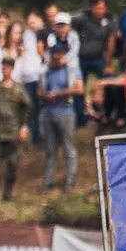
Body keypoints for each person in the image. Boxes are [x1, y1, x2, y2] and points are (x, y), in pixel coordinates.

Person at [37, 39, 83, 191]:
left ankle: (70, 180)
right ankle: (48, 181)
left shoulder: (72, 69)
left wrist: (59, 93)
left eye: (59, 55)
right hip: (48, 111)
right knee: (50, 149)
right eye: (54, 56)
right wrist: (46, 95)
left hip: (65, 110)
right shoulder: (45, 70)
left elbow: (79, 89)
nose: (57, 59)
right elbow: (39, 91)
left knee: (68, 148)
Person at [0, 71, 29, 202]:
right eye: (4, 67)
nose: (6, 70)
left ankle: (7, 193)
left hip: (13, 132)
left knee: (13, 163)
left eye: (8, 67)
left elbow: (26, 109)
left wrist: (24, 127)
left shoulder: (19, 89)